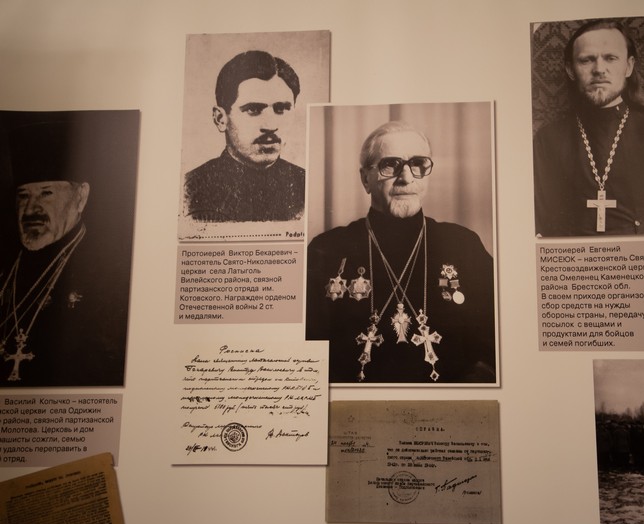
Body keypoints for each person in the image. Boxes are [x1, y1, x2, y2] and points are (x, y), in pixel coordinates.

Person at [305, 121, 496, 383]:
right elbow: (309, 352)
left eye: (418, 164)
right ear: (365, 179)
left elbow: (495, 343)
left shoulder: (463, 245)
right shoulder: (327, 249)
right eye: (390, 165)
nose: (406, 177)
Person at [0, 119, 129, 386]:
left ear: (80, 197)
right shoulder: (6, 264)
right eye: (23, 195)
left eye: (46, 193)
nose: (30, 209)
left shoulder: (111, 273)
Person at [533, 19, 644, 236]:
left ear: (628, 67)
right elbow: (543, 225)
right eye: (587, 60)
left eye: (610, 58)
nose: (599, 69)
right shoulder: (548, 139)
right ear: (571, 70)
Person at [184, 50, 304, 222]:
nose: (270, 126)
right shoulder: (189, 192)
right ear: (220, 119)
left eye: (281, 109)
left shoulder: (308, 185)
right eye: (253, 109)